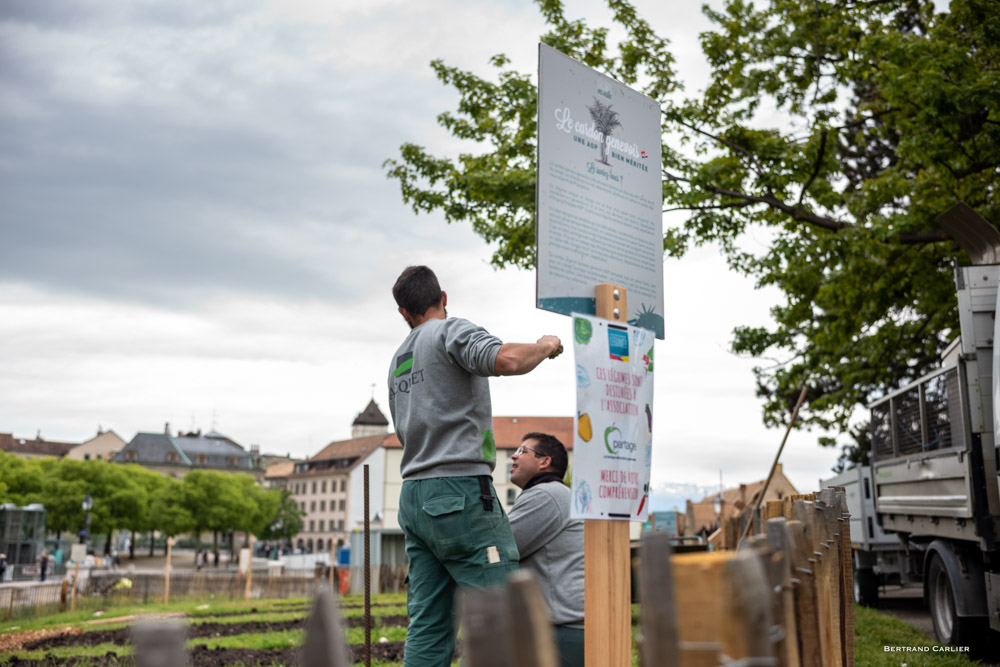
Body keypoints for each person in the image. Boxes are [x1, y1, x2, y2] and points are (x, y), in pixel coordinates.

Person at [388, 265, 563, 667]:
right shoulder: (449, 331)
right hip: (460, 492)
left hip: (415, 496)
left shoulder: (399, 357)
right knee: (502, 616)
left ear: (402, 313)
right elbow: (506, 360)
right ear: (443, 298)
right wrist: (546, 344)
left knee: (428, 626)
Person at [508, 432, 585, 667]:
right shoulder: (556, 494)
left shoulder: (546, 494)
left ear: (545, 461)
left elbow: (501, 546)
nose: (513, 456)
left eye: (523, 451)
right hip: (567, 625)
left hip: (560, 630)